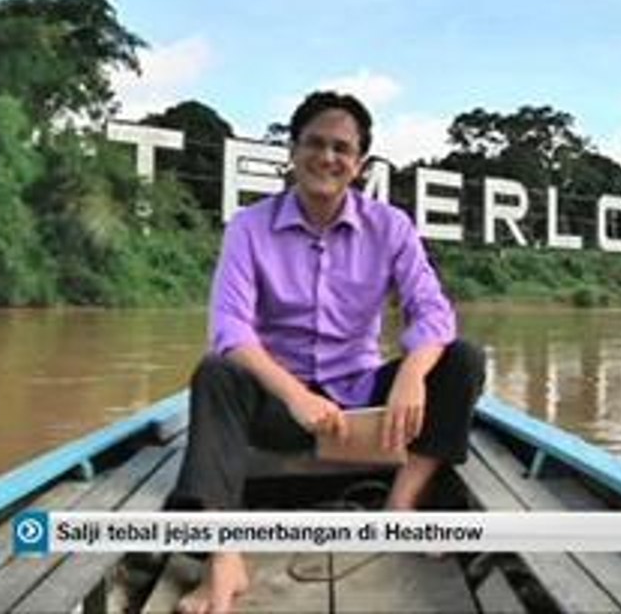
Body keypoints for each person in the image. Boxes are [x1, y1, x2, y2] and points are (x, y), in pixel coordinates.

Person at [170, 91, 486, 614]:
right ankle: (223, 556)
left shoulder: (391, 227)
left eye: (342, 148)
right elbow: (229, 328)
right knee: (216, 374)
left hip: (364, 410)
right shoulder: (249, 228)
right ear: (292, 152)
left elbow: (433, 313)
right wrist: (294, 395)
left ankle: (401, 504)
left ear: (359, 164)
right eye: (314, 143)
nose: (327, 157)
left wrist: (411, 370)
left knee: (463, 359)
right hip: (282, 408)